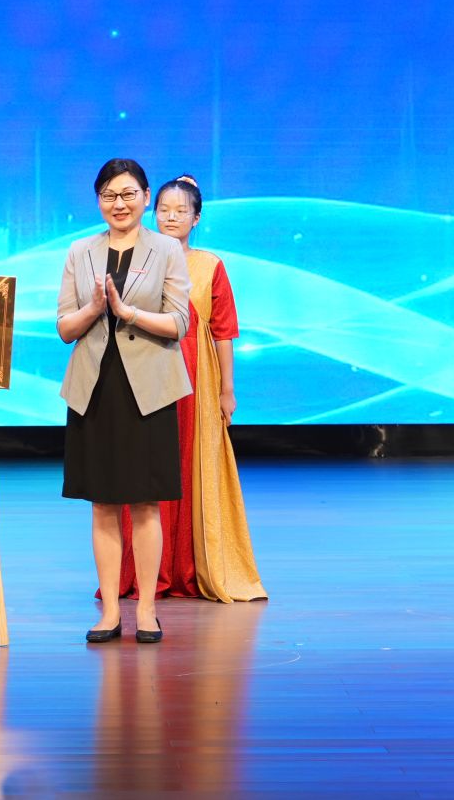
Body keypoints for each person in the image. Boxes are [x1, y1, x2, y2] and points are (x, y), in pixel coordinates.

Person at [56, 158, 191, 645]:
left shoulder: (166, 250)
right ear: (98, 200)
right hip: (94, 388)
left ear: (145, 197)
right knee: (103, 504)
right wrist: (95, 308)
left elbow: (179, 323)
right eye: (109, 195)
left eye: (129, 194)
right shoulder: (80, 251)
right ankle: (111, 611)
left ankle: (147, 610)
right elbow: (64, 327)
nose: (119, 204)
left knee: (146, 503)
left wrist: (127, 312)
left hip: (148, 389)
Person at [119, 176, 267, 602]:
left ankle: (189, 567)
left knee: (189, 466)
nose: (171, 217)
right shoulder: (135, 260)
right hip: (145, 375)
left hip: (195, 382)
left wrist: (226, 390)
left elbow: (224, 331)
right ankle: (146, 573)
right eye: (164, 209)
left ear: (196, 218)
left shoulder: (210, 266)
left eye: (181, 211)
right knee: (145, 470)